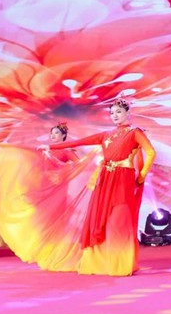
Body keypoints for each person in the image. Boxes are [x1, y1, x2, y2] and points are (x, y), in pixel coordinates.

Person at [37, 98, 156, 276]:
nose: (115, 116)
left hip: (123, 179)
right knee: (102, 219)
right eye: (112, 113)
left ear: (127, 113)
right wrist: (50, 146)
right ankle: (100, 263)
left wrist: (142, 175)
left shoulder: (134, 132)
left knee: (119, 220)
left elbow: (151, 152)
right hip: (105, 178)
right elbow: (78, 142)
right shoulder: (106, 134)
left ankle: (121, 264)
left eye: (119, 112)